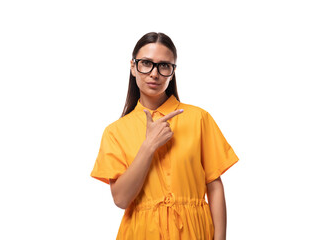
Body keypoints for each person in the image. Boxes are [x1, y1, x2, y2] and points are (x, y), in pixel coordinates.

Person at [90, 32, 239, 240]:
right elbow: (121, 199)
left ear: (172, 72)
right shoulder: (115, 132)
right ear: (133, 67)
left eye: (164, 66)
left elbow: (214, 187)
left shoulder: (199, 118)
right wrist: (148, 146)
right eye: (146, 63)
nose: (154, 73)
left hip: (194, 232)